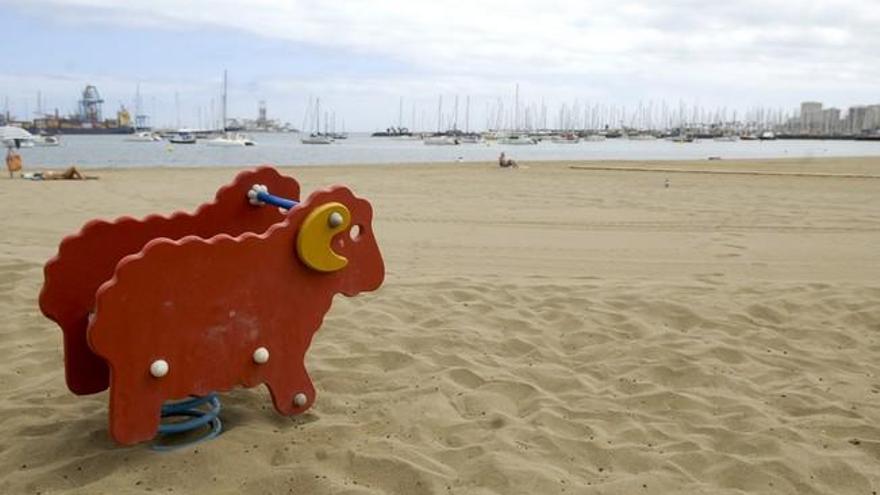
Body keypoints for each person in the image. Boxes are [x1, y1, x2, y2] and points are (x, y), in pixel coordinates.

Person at [23, 166, 88, 181]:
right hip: (63, 175)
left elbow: (35, 177)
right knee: (73, 168)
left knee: (74, 173)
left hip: (63, 176)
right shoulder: (45, 176)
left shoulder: (44, 174)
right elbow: (37, 178)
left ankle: (82, 177)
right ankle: (82, 177)